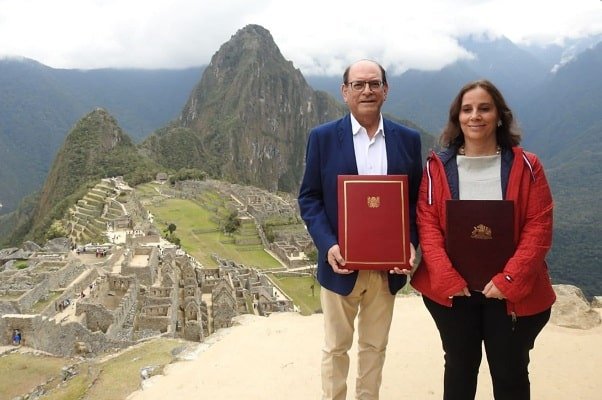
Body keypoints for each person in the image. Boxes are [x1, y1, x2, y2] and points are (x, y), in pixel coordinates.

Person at [410, 79, 556, 400]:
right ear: (457, 118)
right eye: (467, 109)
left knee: (510, 371)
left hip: (507, 294)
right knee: (460, 369)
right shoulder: (438, 169)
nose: (475, 116)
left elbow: (538, 227)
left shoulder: (528, 167)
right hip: (454, 294)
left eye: (484, 108)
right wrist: (446, 277)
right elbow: (428, 224)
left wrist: (510, 279)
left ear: (499, 116)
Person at [298, 59, 422, 400]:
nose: (366, 90)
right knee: (335, 348)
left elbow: (416, 202)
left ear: (385, 89)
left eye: (373, 84)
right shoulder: (323, 138)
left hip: (387, 268)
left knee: (374, 347)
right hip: (341, 264)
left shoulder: (407, 140)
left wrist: (409, 244)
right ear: (345, 91)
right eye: (358, 84)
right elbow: (309, 198)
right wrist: (327, 245)